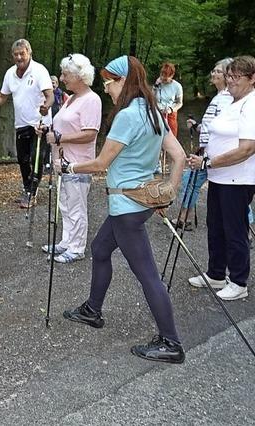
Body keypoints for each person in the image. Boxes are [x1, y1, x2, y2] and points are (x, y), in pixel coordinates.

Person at [62, 55, 187, 364]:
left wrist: (70, 166)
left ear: (123, 81)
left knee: (147, 274)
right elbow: (180, 156)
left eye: (108, 83)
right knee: (100, 248)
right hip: (141, 202)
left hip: (127, 206)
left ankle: (171, 342)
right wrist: (167, 191)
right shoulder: (153, 111)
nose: (106, 89)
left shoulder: (129, 115)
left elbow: (102, 163)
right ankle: (92, 309)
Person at [187, 55, 255, 301]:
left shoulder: (251, 104)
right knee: (215, 226)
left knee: (235, 229)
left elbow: (247, 148)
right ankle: (216, 273)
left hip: (238, 178)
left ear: (252, 78)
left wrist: (209, 161)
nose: (232, 80)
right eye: (230, 75)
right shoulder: (231, 101)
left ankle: (239, 282)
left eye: (238, 76)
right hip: (219, 177)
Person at [0, 39, 54, 208]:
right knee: (22, 159)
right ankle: (27, 188)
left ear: (29, 53)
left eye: (22, 54)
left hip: (40, 123)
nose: (19, 57)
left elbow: (50, 95)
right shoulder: (10, 73)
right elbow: (3, 97)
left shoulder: (39, 70)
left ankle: (31, 192)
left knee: (36, 157)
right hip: (21, 123)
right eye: (16, 54)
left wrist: (46, 107)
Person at [39, 54, 102, 264]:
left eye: (65, 74)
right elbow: (64, 125)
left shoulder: (91, 100)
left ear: (79, 76)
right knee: (65, 205)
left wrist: (59, 137)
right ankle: (67, 241)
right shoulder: (72, 98)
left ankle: (77, 248)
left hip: (78, 163)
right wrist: (48, 130)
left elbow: (90, 133)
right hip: (62, 163)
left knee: (76, 206)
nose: (62, 78)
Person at [172, 58, 234, 230]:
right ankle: (184, 219)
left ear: (228, 75)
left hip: (215, 153)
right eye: (213, 70)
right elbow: (212, 127)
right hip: (208, 151)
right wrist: (198, 126)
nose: (214, 73)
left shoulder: (228, 98)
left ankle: (244, 228)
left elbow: (224, 128)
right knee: (192, 182)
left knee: (228, 190)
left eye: (218, 71)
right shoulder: (219, 97)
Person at [154, 62, 183, 137]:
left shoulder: (177, 86)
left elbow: (179, 103)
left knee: (171, 137)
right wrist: (156, 86)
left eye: (166, 77)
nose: (163, 78)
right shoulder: (158, 83)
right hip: (158, 113)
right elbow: (152, 98)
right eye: (161, 75)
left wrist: (171, 109)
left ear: (172, 76)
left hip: (170, 114)